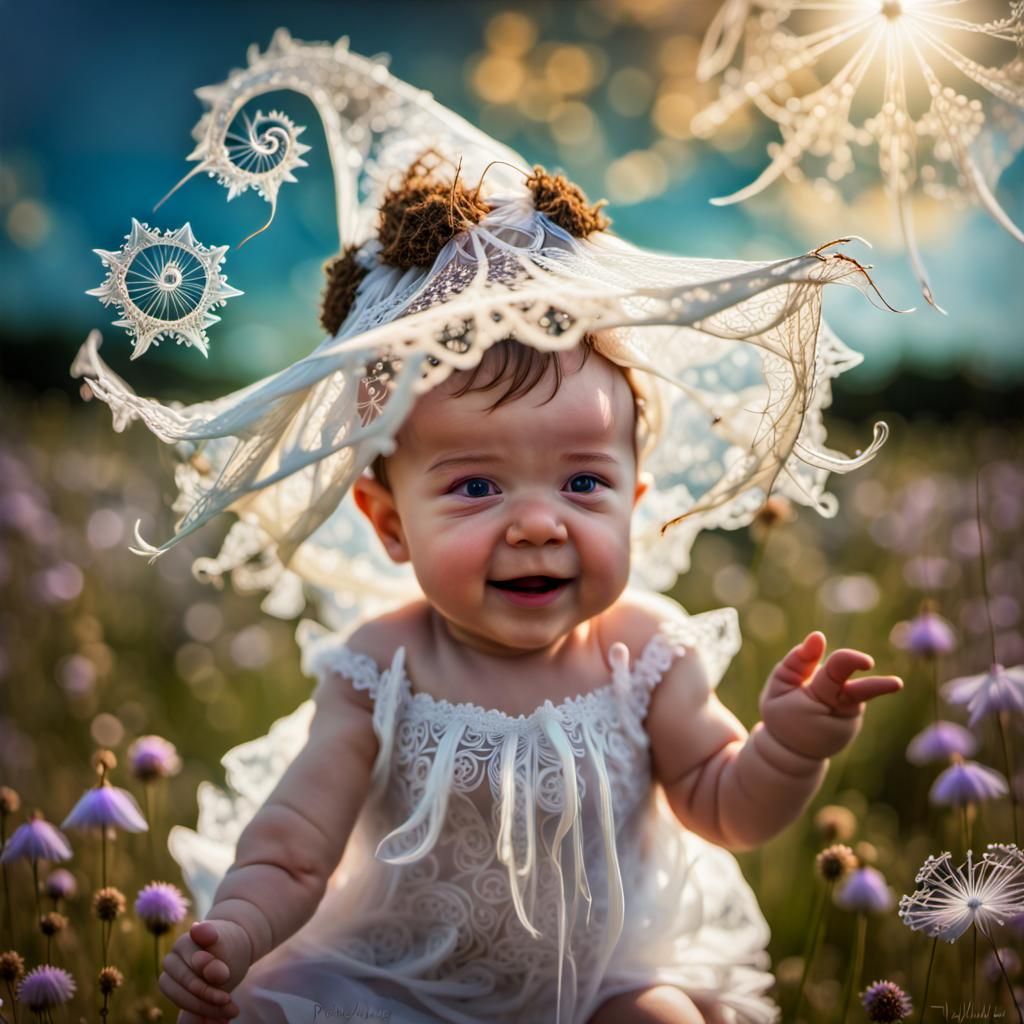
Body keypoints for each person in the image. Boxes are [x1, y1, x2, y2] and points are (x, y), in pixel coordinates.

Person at [70, 31, 902, 1024]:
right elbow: (294, 843)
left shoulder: (643, 655)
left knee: (662, 1019)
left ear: (635, 501)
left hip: (604, 975)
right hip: (393, 977)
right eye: (474, 489)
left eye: (584, 482)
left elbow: (724, 808)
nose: (538, 524)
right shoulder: (378, 672)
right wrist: (238, 933)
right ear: (387, 523)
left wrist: (789, 747)